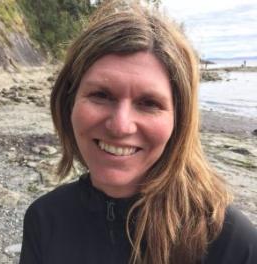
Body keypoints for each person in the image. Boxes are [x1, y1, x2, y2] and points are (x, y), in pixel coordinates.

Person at [19, 1, 257, 264]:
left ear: (179, 121)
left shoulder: (230, 244)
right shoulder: (45, 219)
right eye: (101, 95)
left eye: (149, 103)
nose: (121, 126)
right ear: (69, 103)